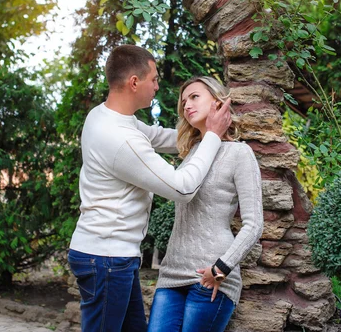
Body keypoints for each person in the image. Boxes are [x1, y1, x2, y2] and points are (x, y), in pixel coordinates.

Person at [68, 45, 232, 332]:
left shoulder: (104, 115)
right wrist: (213, 138)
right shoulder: (120, 139)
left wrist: (200, 131)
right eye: (154, 79)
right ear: (134, 82)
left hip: (112, 255)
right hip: (106, 259)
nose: (158, 85)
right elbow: (182, 188)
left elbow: (155, 136)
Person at [147, 76, 264, 332]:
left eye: (195, 96)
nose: (187, 105)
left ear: (217, 102)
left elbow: (254, 224)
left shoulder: (239, 153)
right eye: (183, 101)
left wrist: (221, 268)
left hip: (210, 277)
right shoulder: (190, 155)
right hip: (171, 276)